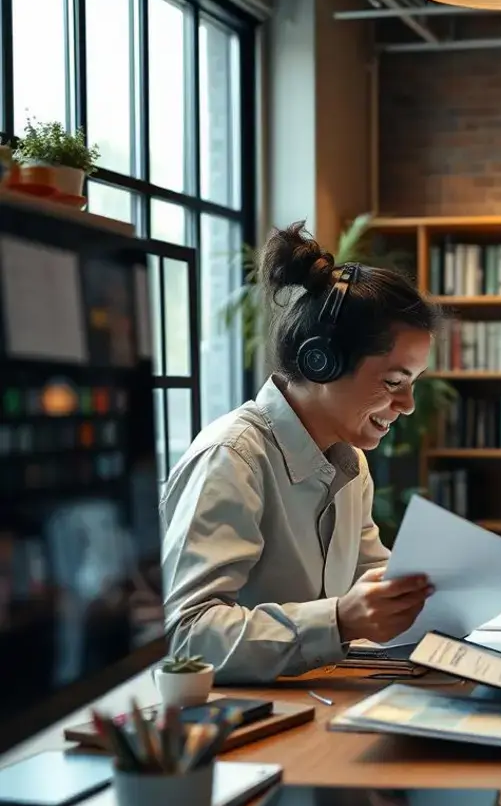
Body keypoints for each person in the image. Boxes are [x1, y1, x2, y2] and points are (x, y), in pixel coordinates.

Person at [160, 223, 437, 684]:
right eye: (394, 382)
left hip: (312, 703)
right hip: (244, 727)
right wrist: (340, 621)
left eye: (414, 384)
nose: (407, 405)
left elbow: (375, 581)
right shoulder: (233, 458)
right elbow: (184, 636)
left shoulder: (350, 463)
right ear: (321, 361)